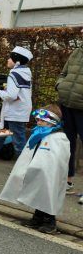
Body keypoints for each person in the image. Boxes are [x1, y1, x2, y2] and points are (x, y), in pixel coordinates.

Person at [0, 105, 69, 234]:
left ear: (51, 121)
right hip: (37, 170)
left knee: (48, 193)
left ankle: (50, 221)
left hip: (50, 174)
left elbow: (58, 159)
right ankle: (37, 218)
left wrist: (45, 168)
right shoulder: (39, 133)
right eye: (37, 120)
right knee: (38, 193)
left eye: (42, 121)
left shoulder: (59, 138)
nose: (38, 122)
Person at [0, 46, 33, 170]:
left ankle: (24, 170)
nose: (8, 60)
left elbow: (11, 96)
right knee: (0, 135)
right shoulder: (26, 72)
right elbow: (19, 93)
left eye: (10, 58)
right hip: (18, 111)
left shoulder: (14, 73)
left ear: (17, 60)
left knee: (19, 142)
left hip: (15, 112)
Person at [55, 32, 83, 191]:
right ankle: (67, 179)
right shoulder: (77, 52)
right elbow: (63, 73)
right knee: (68, 144)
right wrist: (60, 85)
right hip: (67, 104)